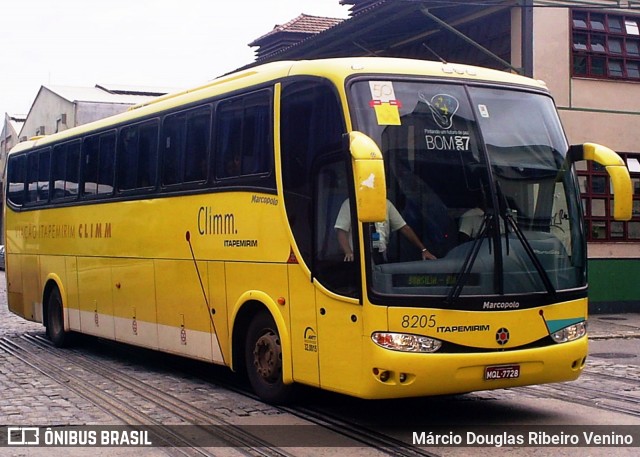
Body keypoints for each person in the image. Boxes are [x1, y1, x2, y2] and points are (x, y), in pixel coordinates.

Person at [334, 199, 436, 262]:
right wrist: (349, 253)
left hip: (381, 256)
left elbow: (404, 228)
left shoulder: (386, 204)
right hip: (358, 258)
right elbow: (341, 230)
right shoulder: (350, 203)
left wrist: (424, 250)